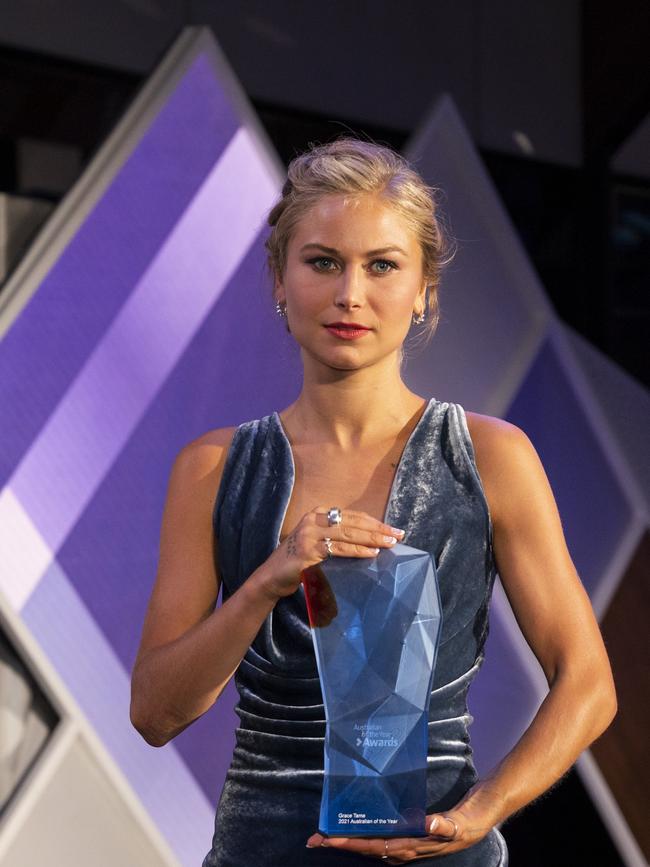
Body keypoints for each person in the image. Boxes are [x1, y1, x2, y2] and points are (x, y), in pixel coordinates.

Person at [129, 136, 617, 866]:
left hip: (439, 848)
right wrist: (268, 579)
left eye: (382, 265)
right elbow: (156, 712)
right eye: (322, 262)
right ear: (279, 280)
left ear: (424, 290)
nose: (350, 294)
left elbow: (589, 682)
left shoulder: (490, 457)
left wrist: (479, 812)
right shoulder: (214, 467)